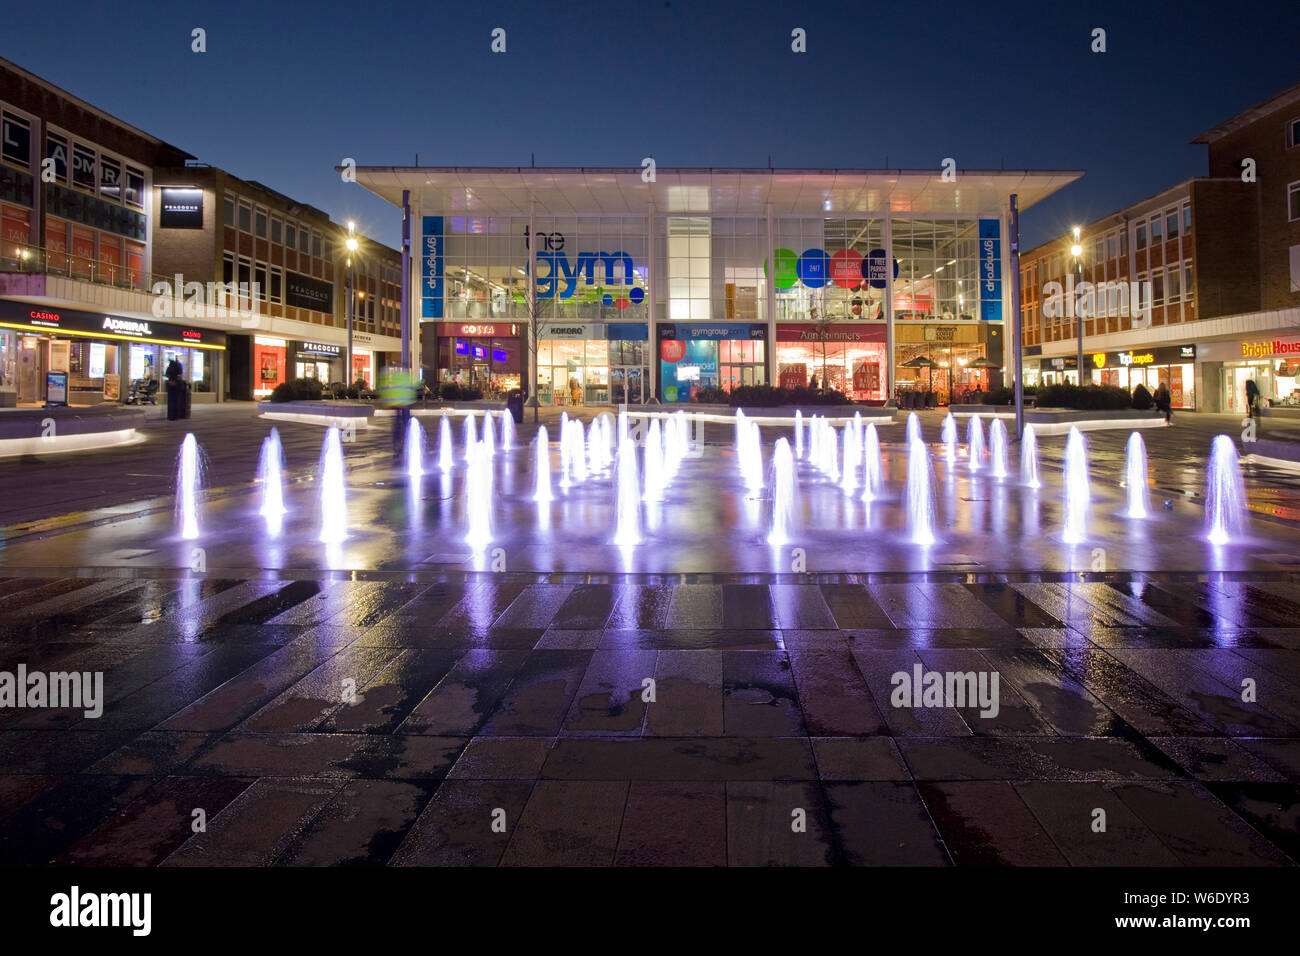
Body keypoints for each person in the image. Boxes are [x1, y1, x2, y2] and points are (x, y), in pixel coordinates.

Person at [378, 365, 417, 457]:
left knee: (396, 424)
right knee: (406, 423)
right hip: (405, 404)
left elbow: (384, 390)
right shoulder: (405, 376)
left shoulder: (391, 378)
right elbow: (411, 388)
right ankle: (407, 442)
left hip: (395, 404)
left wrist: (385, 402)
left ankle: (397, 443)